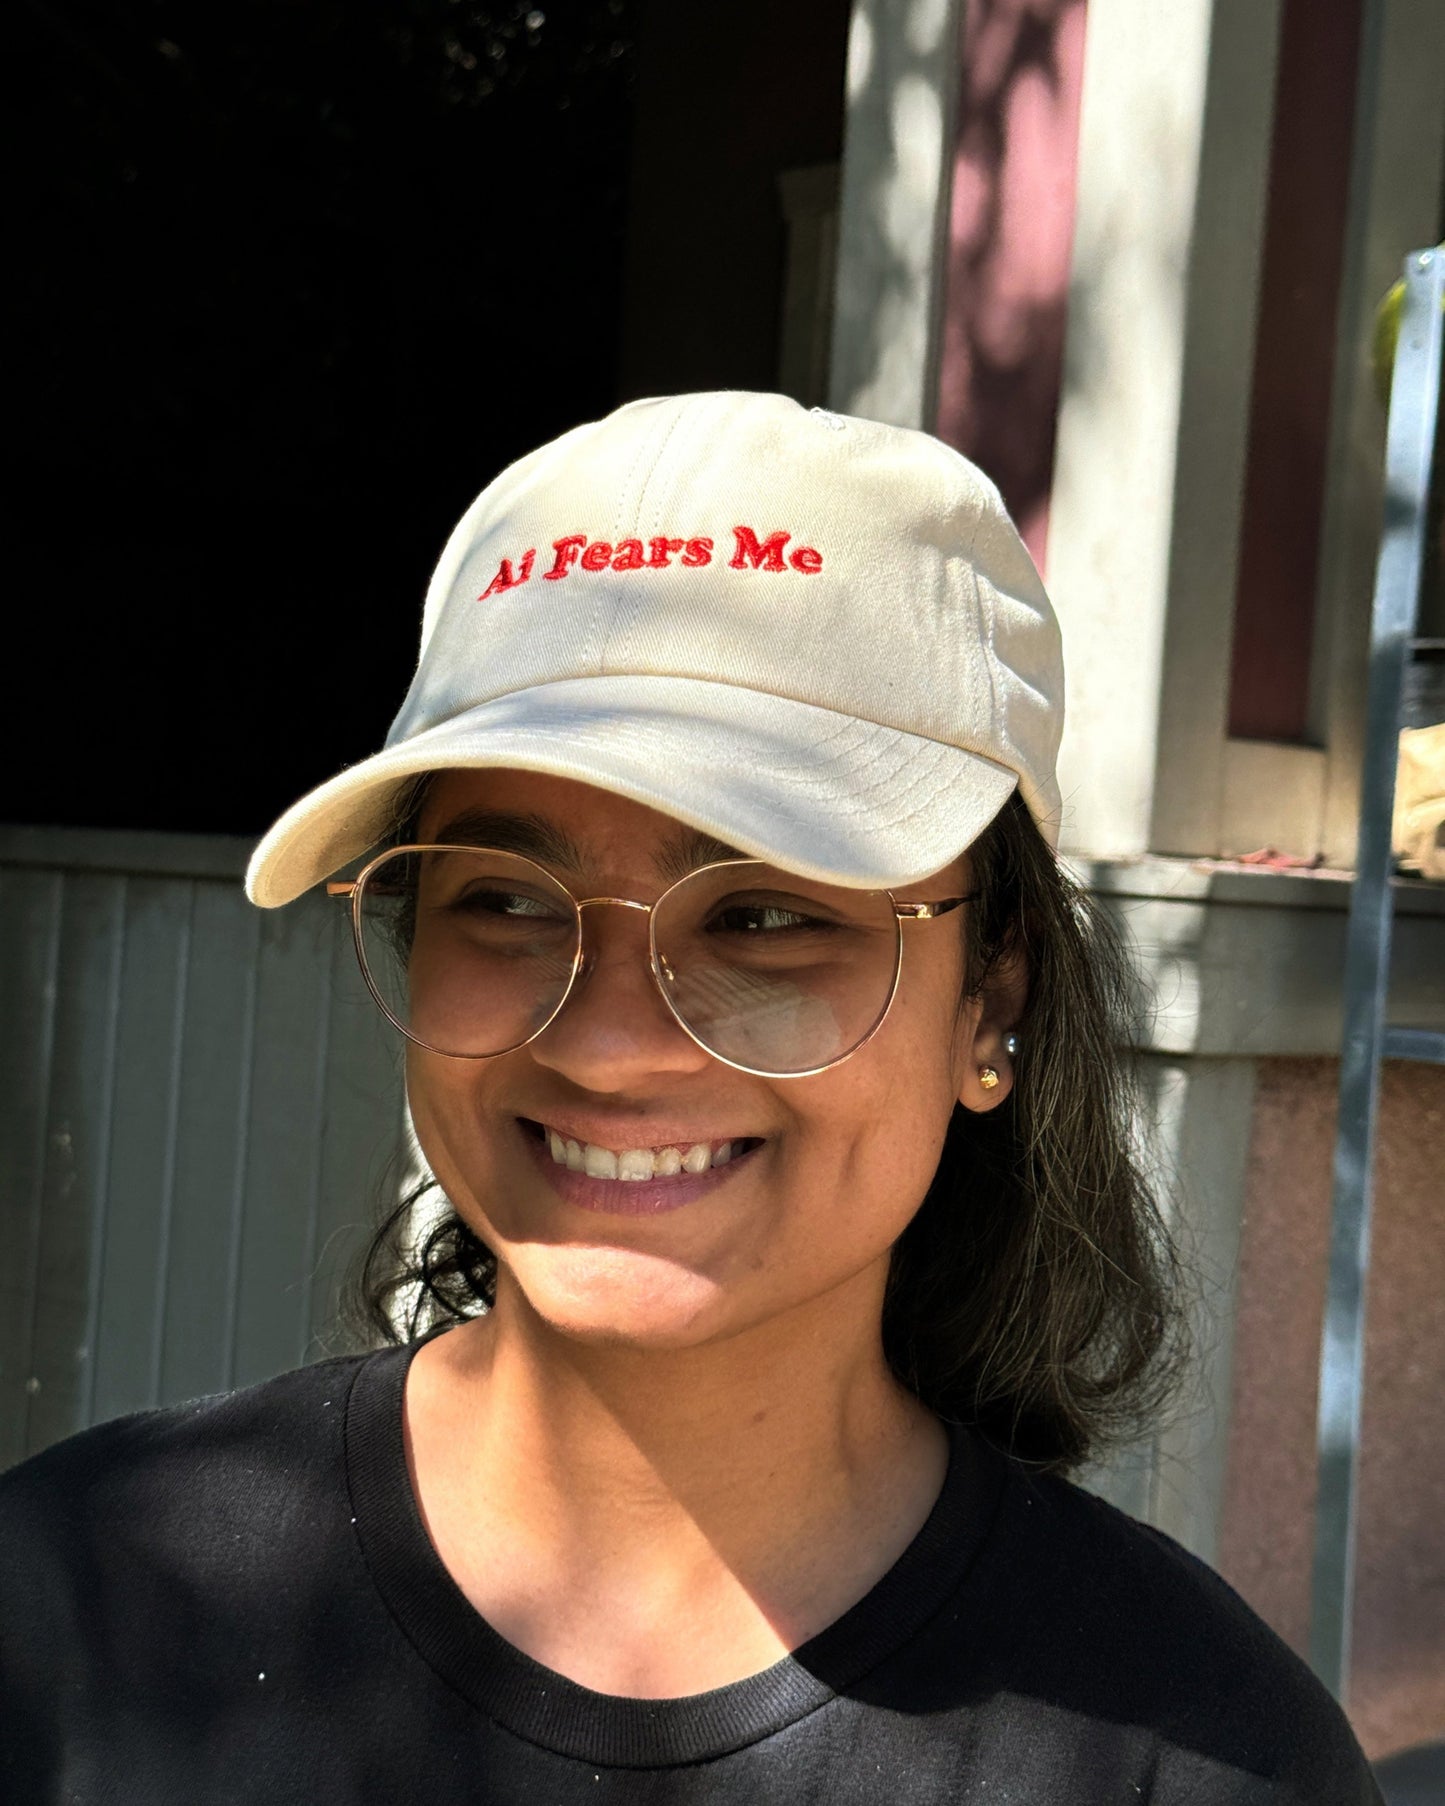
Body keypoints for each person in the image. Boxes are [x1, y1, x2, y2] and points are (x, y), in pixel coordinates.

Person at [1, 392, 1381, 1802]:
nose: (606, 1043)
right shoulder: (70, 1613)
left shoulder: (1194, 1756)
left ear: (994, 994)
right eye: (505, 900)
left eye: (765, 915)